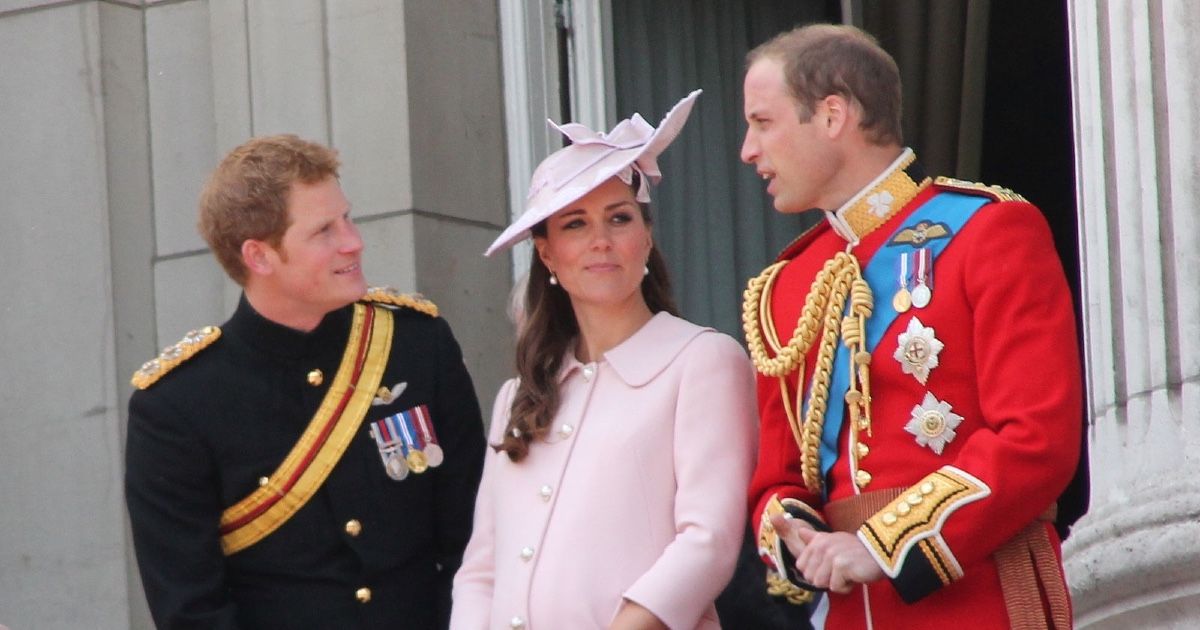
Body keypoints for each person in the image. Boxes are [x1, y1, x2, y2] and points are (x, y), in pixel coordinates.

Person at [739, 24, 1085, 629]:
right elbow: (778, 478)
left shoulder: (988, 230)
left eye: (763, 122)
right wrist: (794, 531)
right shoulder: (786, 286)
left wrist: (883, 545)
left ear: (832, 115)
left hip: (980, 599)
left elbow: (1036, 440)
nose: (748, 149)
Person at [124, 134, 486, 629]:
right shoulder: (177, 405)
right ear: (260, 257)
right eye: (324, 231)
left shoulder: (417, 345)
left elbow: (475, 541)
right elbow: (192, 611)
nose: (353, 241)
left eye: (347, 218)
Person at [451, 91, 757, 630]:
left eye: (618, 219)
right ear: (546, 253)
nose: (600, 241)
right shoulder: (515, 397)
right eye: (574, 224)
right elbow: (481, 572)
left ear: (645, 237)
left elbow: (708, 541)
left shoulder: (703, 360)